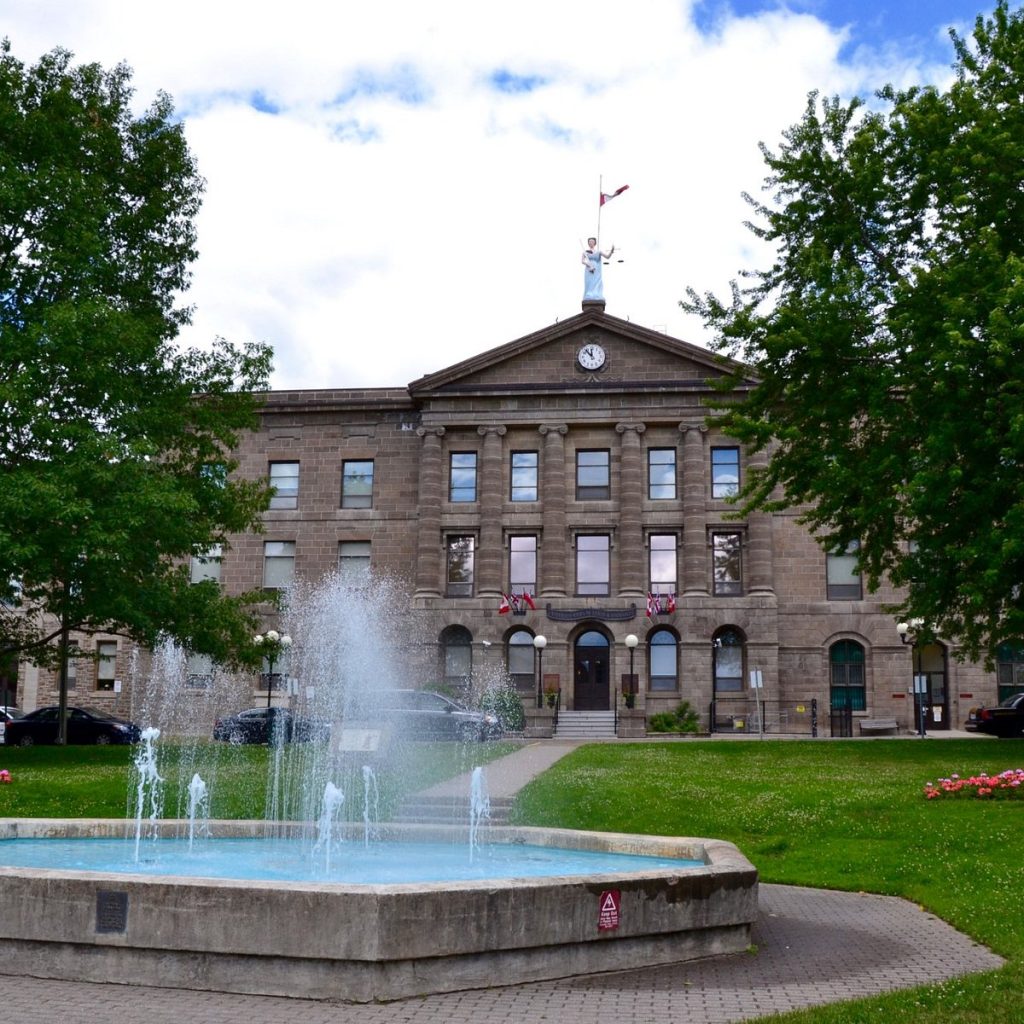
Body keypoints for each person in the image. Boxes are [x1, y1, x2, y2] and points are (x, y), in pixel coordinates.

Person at [582, 236, 614, 301]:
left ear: (595, 243)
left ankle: (597, 294)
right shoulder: (585, 252)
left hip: (596, 270)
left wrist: (611, 251)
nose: (590, 243)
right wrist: (589, 265)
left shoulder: (599, 252)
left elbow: (607, 257)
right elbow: (582, 261)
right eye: (589, 242)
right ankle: (589, 294)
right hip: (589, 270)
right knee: (589, 283)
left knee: (596, 282)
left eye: (592, 241)